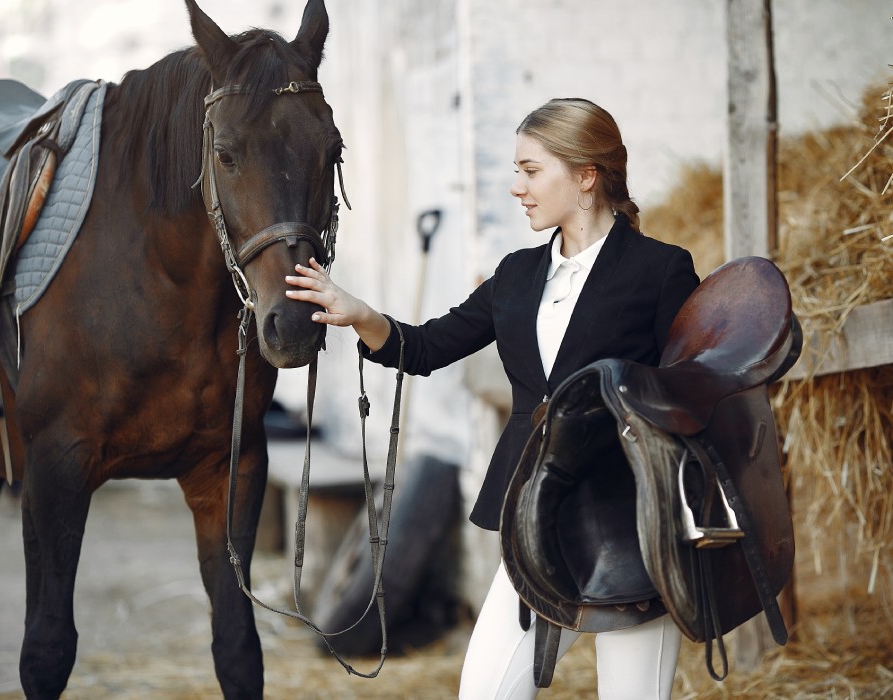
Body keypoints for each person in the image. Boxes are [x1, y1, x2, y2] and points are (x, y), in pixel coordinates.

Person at [285, 97, 700, 699]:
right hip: (533, 513)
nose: (516, 187)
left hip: (631, 518)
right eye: (516, 171)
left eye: (531, 171)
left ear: (586, 176)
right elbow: (424, 348)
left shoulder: (661, 271)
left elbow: (687, 395)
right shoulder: (516, 275)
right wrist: (359, 314)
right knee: (485, 691)